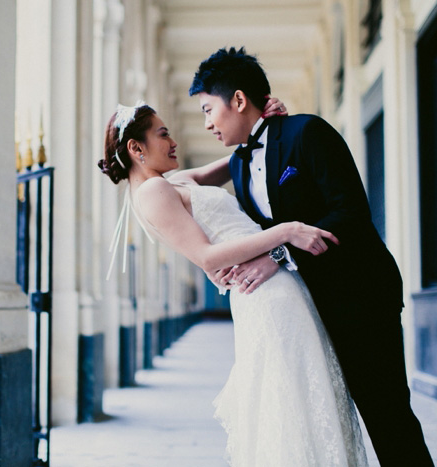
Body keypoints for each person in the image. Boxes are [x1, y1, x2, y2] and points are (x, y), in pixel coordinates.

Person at [188, 47, 433, 466]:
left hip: (358, 296)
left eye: (210, 109)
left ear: (240, 100)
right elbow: (181, 189)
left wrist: (278, 255)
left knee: (385, 415)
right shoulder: (242, 167)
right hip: (305, 311)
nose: (207, 123)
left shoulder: (307, 132)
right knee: (329, 417)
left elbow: (349, 213)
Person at [98, 101, 368, 466]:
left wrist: (263, 125)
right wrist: (285, 232)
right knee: (293, 398)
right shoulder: (151, 193)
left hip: (275, 286)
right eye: (163, 134)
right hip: (265, 294)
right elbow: (208, 256)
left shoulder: (171, 182)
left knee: (302, 393)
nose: (173, 141)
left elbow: (237, 160)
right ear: (136, 148)